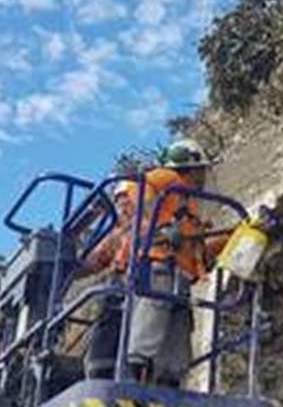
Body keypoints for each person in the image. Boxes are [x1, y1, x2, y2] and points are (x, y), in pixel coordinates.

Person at [126, 138, 228, 387]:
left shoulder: (188, 201)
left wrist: (229, 239)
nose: (203, 175)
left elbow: (195, 247)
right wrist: (160, 226)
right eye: (201, 169)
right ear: (190, 168)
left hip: (181, 275)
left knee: (178, 326)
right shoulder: (168, 178)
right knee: (153, 311)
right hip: (161, 264)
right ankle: (137, 370)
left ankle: (169, 379)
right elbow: (135, 188)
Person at [74, 180, 136, 379]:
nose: (121, 206)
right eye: (119, 201)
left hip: (131, 288)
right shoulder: (119, 234)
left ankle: (102, 371)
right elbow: (91, 263)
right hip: (127, 288)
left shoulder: (140, 227)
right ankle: (102, 370)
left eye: (124, 201)